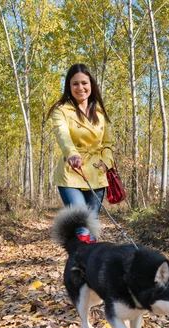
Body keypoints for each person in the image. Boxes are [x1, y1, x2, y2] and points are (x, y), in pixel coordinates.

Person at [49, 63, 114, 243]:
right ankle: (82, 263)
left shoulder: (100, 113)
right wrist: (72, 153)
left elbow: (108, 144)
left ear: (91, 85)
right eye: (75, 84)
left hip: (96, 173)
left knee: (90, 224)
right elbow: (62, 135)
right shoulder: (61, 110)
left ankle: (85, 264)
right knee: (81, 223)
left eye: (84, 83)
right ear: (69, 87)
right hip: (72, 173)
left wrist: (106, 162)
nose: (80, 88)